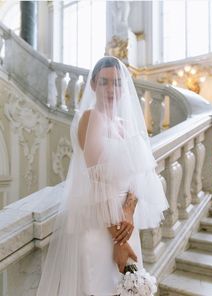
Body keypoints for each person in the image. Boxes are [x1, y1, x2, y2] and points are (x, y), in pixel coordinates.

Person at [36, 56, 169, 296]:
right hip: (102, 225)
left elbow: (138, 177)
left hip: (125, 224)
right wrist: (120, 241)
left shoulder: (122, 124)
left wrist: (128, 212)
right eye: (105, 82)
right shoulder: (91, 117)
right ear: (93, 85)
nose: (111, 89)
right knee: (101, 286)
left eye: (117, 83)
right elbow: (96, 182)